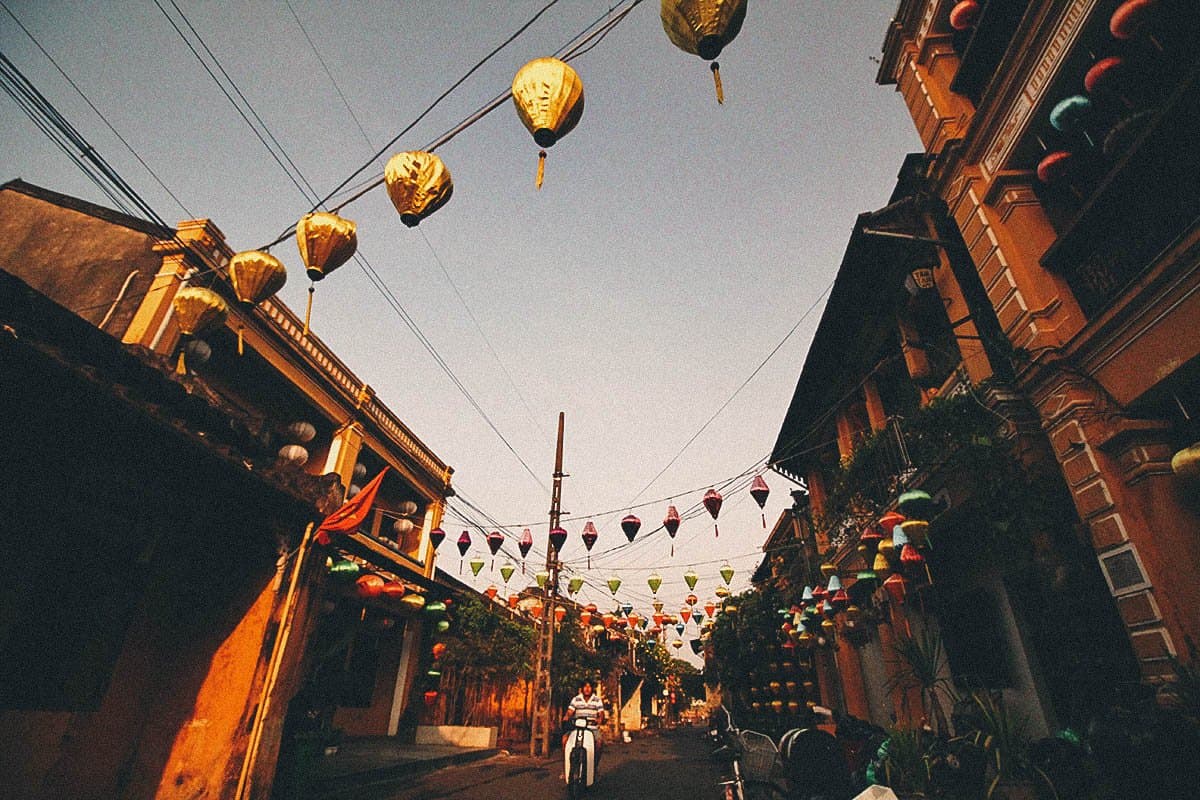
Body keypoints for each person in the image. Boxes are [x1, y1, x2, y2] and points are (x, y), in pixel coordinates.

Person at [563, 679, 605, 757]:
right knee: (565, 739)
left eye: (589, 686)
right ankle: (569, 762)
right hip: (577, 727)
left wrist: (600, 719)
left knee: (599, 742)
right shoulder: (576, 699)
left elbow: (601, 713)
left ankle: (594, 763)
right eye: (585, 686)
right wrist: (567, 716)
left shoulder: (597, 700)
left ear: (592, 688)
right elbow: (570, 711)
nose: (587, 689)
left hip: (592, 727)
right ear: (582, 688)